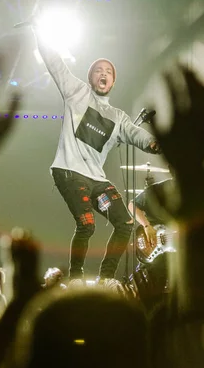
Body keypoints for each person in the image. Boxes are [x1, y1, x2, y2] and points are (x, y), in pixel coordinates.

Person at [30, 26, 161, 288]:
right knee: (87, 225)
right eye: (98, 71)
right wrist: (40, 31)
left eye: (108, 72)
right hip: (68, 172)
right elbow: (56, 64)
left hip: (96, 180)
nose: (104, 74)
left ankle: (106, 279)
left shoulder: (118, 117)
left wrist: (155, 143)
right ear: (91, 78)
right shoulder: (76, 92)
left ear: (112, 81)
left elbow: (137, 134)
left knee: (124, 223)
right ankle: (76, 278)